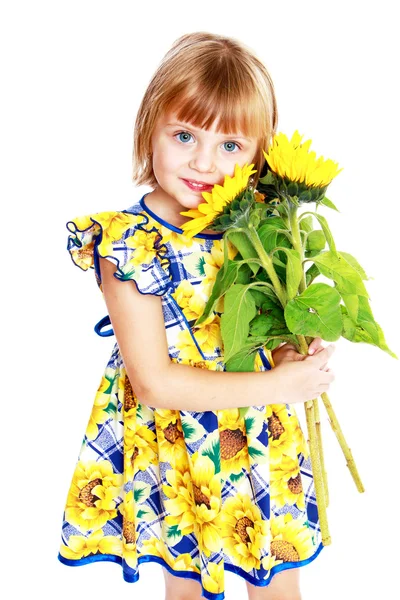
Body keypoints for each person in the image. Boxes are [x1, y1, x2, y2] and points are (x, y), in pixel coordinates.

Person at [57, 32, 336, 600]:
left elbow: (272, 325)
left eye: (231, 145)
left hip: (262, 433)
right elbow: (155, 383)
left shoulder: (257, 225)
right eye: (184, 135)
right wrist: (279, 382)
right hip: (179, 442)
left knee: (279, 582)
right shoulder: (130, 242)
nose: (205, 162)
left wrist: (292, 351)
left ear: (260, 155)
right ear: (148, 132)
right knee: (187, 589)